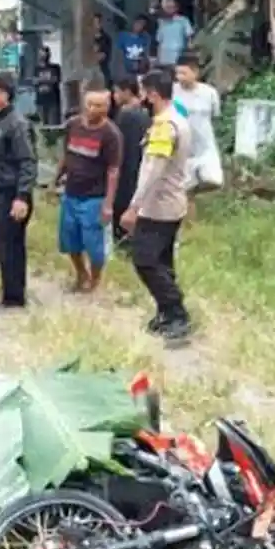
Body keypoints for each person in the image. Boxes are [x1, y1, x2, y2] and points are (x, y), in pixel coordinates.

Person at [119, 69, 193, 344]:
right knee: (162, 260)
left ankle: (176, 311)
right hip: (172, 202)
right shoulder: (178, 118)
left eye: (143, 91)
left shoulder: (164, 125)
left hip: (158, 205)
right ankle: (166, 312)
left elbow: (154, 169)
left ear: (151, 94)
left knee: (145, 260)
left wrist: (134, 206)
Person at [55, 80, 121, 293]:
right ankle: (80, 273)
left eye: (99, 105)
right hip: (71, 192)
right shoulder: (73, 125)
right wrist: (56, 178)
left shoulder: (111, 134)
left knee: (94, 244)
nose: (93, 109)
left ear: (107, 107)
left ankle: (95, 280)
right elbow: (67, 154)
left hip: (95, 196)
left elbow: (113, 170)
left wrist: (108, 204)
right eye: (90, 104)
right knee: (69, 240)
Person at [0, 72, 38, 309]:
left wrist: (22, 196)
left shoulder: (16, 124)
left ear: (4, 95)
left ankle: (14, 297)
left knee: (11, 246)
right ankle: (10, 292)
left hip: (13, 191)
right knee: (3, 245)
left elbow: (27, 161)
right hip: (1, 189)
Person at [173, 53, 222, 203]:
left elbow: (215, 116)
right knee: (184, 191)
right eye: (178, 73)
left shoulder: (209, 93)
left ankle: (193, 191)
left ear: (195, 73)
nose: (180, 77)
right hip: (182, 148)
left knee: (215, 180)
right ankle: (189, 222)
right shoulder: (172, 91)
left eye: (184, 73)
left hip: (206, 147)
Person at [111, 77, 150, 246]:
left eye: (116, 91)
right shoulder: (144, 113)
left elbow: (121, 146)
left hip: (127, 170)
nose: (114, 96)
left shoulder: (126, 114)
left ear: (126, 91)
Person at [155, 0, 194, 70]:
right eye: (167, 7)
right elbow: (159, 41)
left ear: (176, 8)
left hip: (178, 56)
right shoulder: (161, 22)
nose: (169, 9)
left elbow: (189, 38)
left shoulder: (183, 20)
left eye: (171, 7)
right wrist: (158, 58)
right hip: (164, 57)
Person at [34, 46, 63, 127]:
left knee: (53, 125)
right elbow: (34, 82)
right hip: (40, 101)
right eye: (40, 53)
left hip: (53, 100)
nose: (42, 56)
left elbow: (56, 79)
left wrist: (42, 81)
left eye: (44, 53)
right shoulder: (36, 69)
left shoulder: (55, 68)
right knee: (41, 126)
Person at [93, 14, 114, 88]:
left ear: (101, 24)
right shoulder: (86, 38)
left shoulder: (106, 39)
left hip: (102, 71)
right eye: (93, 23)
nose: (95, 25)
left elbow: (103, 56)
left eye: (97, 22)